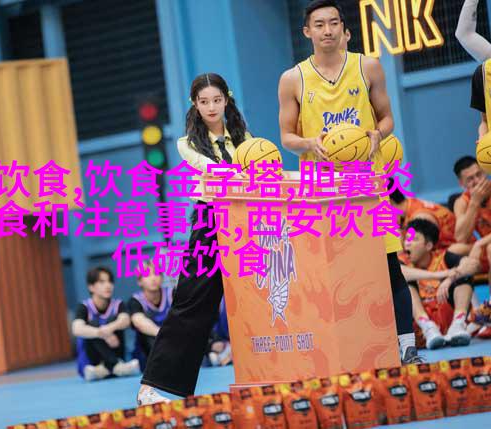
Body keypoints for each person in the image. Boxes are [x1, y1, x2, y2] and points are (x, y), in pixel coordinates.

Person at [278, 0, 421, 364]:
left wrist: (376, 134)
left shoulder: (367, 66)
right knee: (329, 273)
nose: (327, 30)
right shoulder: (293, 79)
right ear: (307, 32)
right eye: (319, 24)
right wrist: (308, 143)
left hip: (367, 184)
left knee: (388, 266)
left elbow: (387, 117)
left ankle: (407, 346)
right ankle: (340, 352)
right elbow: (286, 136)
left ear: (344, 28)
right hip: (321, 191)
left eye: (333, 23)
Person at [136, 72, 252, 405]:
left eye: (217, 100)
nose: (211, 107)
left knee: (263, 296)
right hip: (211, 222)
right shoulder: (186, 143)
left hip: (248, 220)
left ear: (226, 100)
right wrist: (247, 169)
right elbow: (214, 170)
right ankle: (152, 389)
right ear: (195, 104)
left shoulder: (245, 138)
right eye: (204, 101)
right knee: (191, 303)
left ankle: (268, 377)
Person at [402, 219, 476, 349]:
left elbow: (473, 264)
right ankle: (428, 327)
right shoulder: (403, 261)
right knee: (403, 284)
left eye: (414, 239)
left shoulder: (444, 257)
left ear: (428, 246)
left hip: (449, 321)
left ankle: (458, 323)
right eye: (407, 239)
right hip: (421, 332)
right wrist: (440, 275)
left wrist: (450, 279)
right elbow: (399, 273)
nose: (407, 243)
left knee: (464, 276)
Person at [72, 266, 140, 381]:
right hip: (93, 361)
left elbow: (125, 320)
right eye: (102, 282)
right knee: (91, 325)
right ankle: (115, 366)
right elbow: (76, 329)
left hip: (116, 350)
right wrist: (101, 333)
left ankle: (106, 369)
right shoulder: (84, 307)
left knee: (114, 320)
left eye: (110, 281)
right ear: (91, 287)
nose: (108, 285)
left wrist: (109, 328)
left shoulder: (118, 304)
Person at [128, 261, 174, 371]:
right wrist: (164, 335)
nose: (153, 278)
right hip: (149, 349)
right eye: (147, 275)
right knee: (146, 327)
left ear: (162, 278)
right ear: (140, 281)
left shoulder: (172, 293)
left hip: (175, 341)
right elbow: (139, 322)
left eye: (156, 274)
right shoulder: (135, 301)